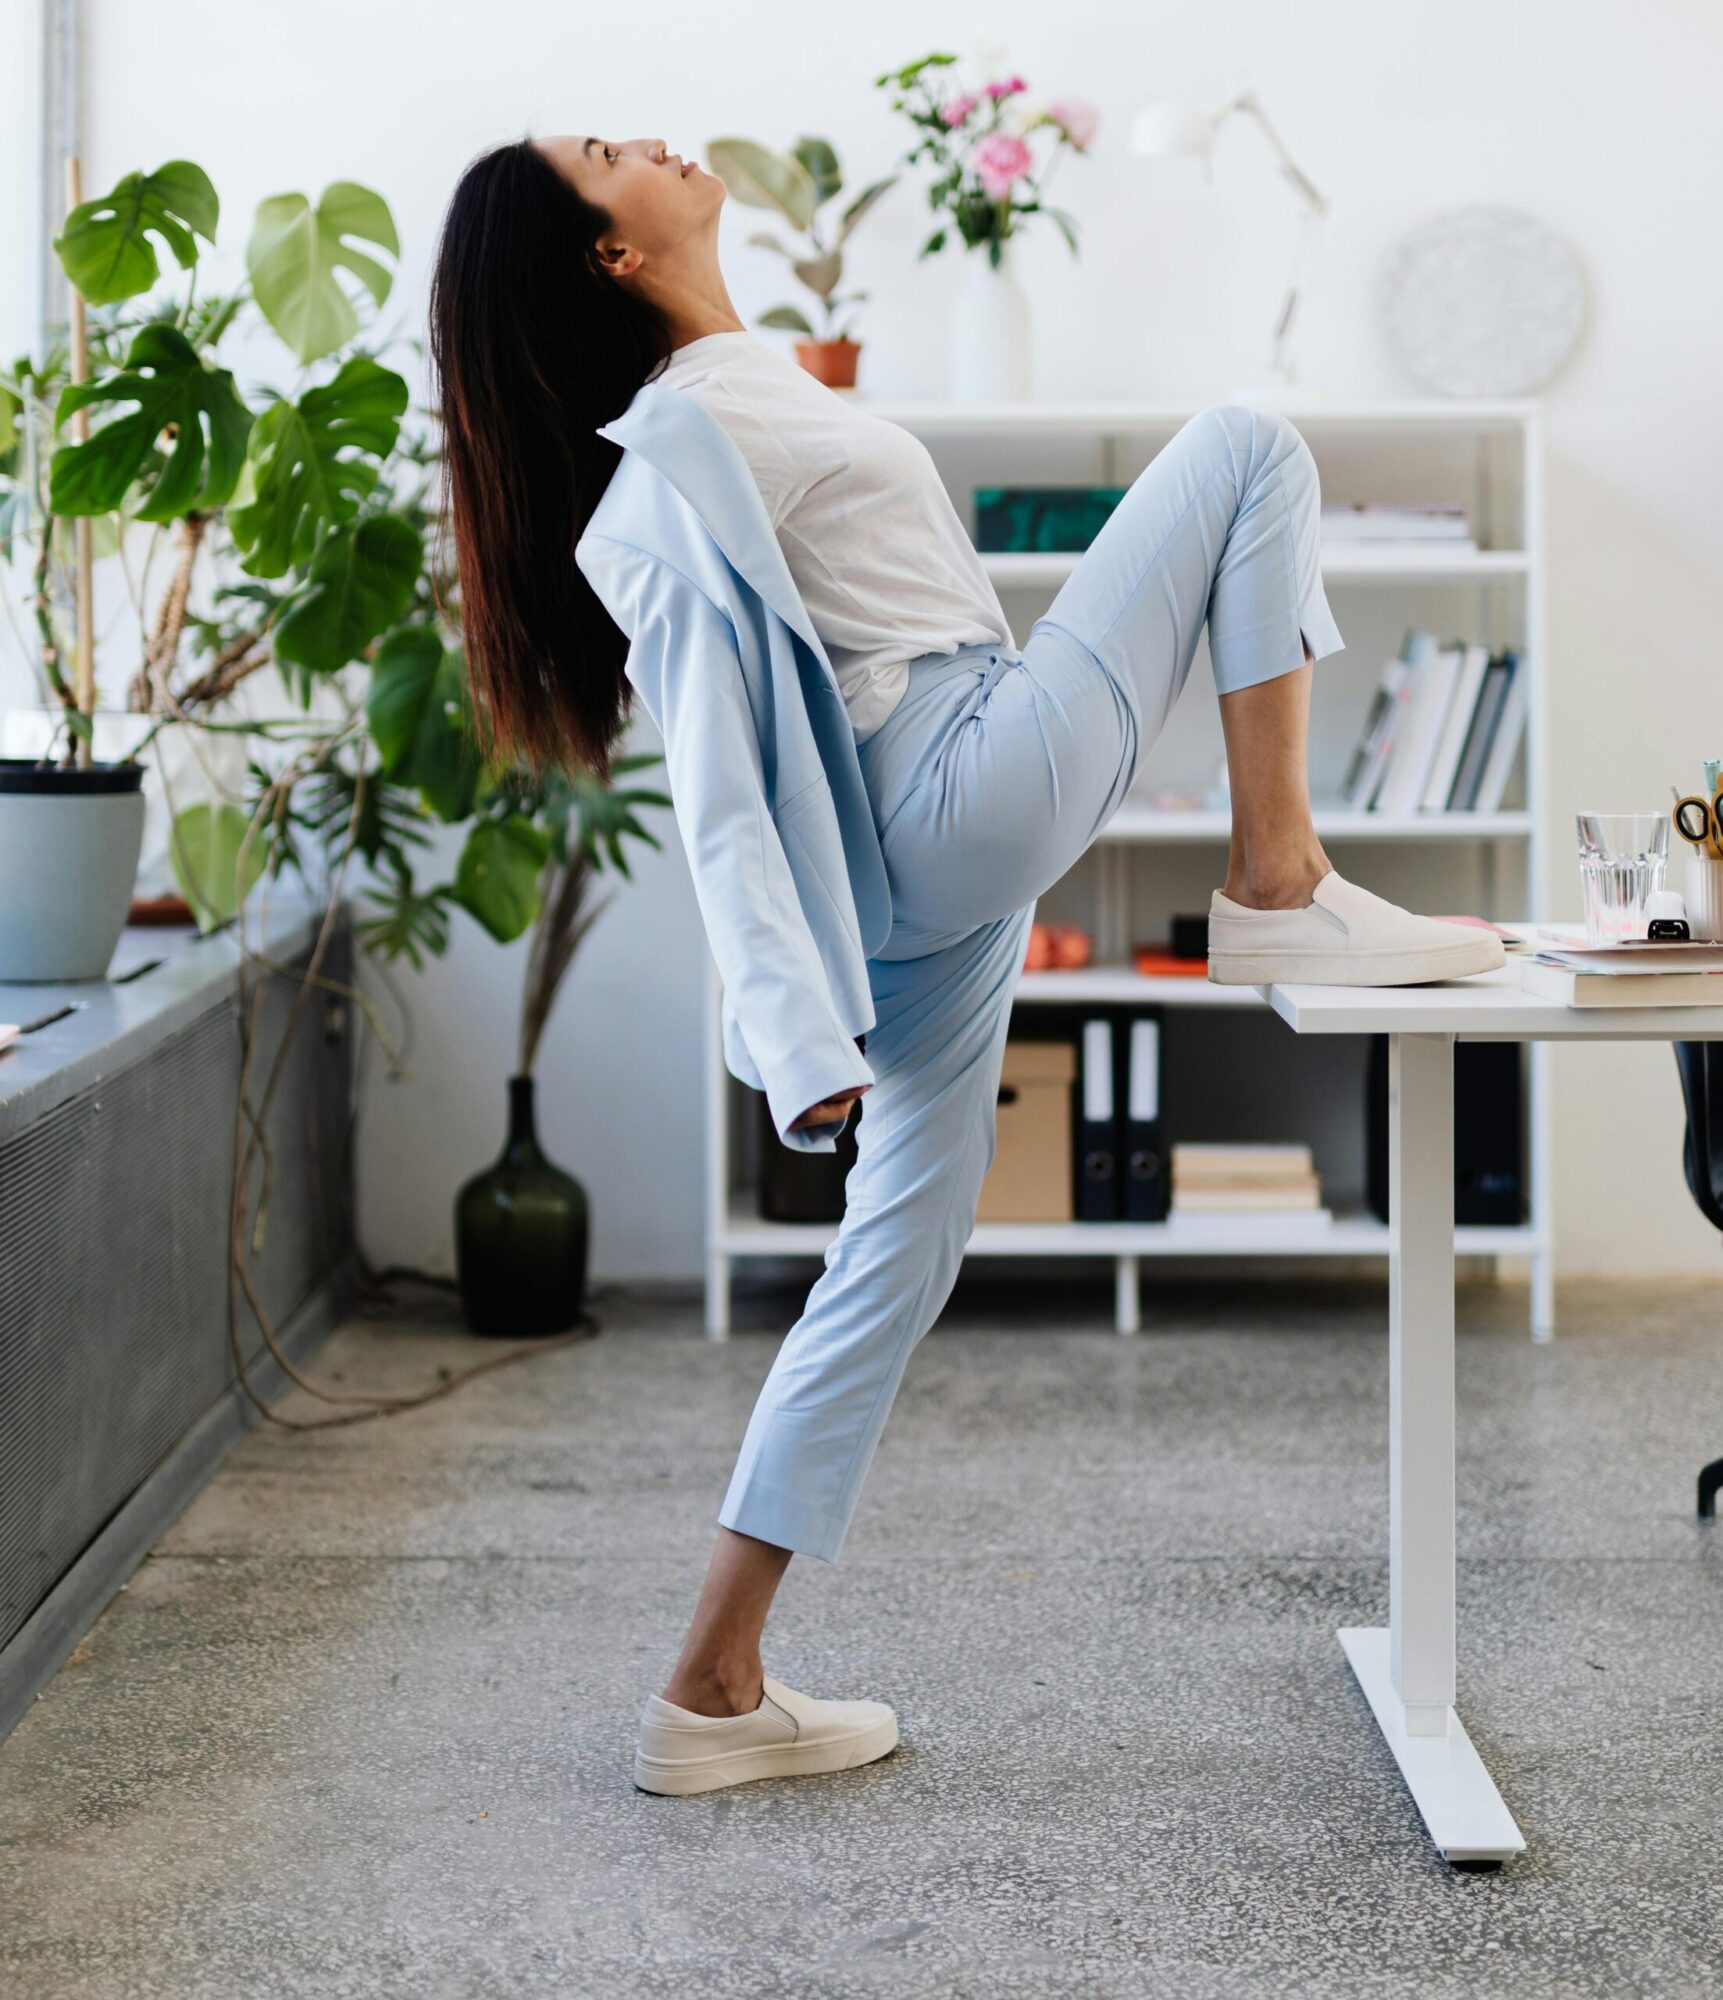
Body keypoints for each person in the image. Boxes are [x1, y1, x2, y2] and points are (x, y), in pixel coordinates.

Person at [428, 132, 1505, 1799]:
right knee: (1246, 448)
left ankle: (711, 1686)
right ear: (608, 259)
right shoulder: (685, 446)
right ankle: (1278, 869)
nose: (646, 138)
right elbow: (716, 777)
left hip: (927, 872)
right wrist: (789, 1035)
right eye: (601, 155)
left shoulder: (741, 387)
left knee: (894, 1265)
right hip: (948, 790)